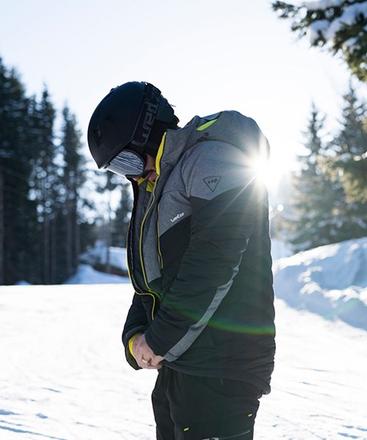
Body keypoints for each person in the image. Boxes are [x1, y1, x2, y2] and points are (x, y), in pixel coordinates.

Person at [87, 81, 276, 440]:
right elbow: (150, 283)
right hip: (182, 364)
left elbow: (214, 263)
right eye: (117, 169)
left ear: (148, 132)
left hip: (219, 366)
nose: (131, 174)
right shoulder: (158, 187)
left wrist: (158, 341)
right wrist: (136, 338)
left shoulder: (212, 159)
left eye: (127, 160)